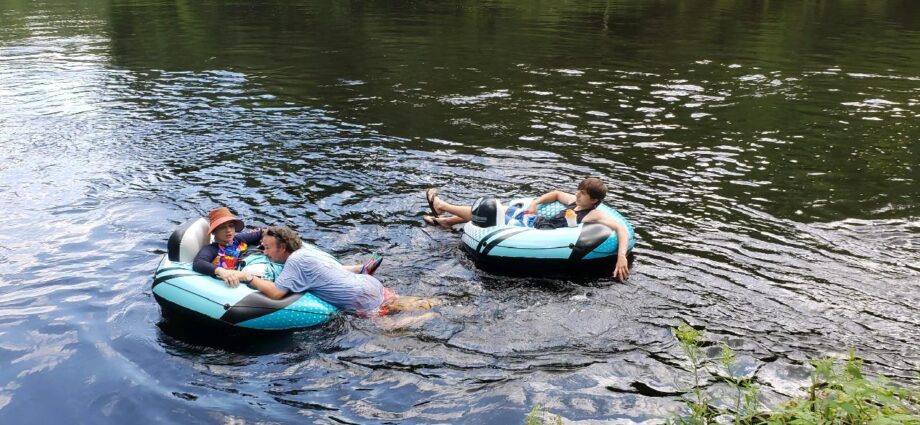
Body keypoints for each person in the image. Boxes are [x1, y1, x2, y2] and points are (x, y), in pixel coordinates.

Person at [422, 177, 631, 281]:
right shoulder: (574, 202)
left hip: (538, 235)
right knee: (496, 209)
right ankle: (447, 221)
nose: (577, 194)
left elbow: (620, 229)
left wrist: (621, 256)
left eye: (583, 193)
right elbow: (557, 193)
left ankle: (442, 208)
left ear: (594, 200)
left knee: (490, 212)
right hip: (532, 222)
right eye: (579, 190)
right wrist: (535, 204)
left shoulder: (594, 214)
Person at [240, 226, 437, 317]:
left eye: (266, 248)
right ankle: (434, 303)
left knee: (389, 330)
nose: (264, 252)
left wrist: (248, 277)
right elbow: (333, 268)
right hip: (368, 283)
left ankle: (427, 318)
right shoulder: (306, 252)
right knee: (397, 302)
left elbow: (276, 292)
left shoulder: (294, 261)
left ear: (282, 248)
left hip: (358, 298)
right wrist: (360, 268)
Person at [192, 207, 266, 286]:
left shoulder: (240, 239)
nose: (228, 230)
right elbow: (198, 263)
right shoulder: (212, 249)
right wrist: (221, 271)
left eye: (231, 226)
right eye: (222, 227)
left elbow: (262, 232)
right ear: (214, 232)